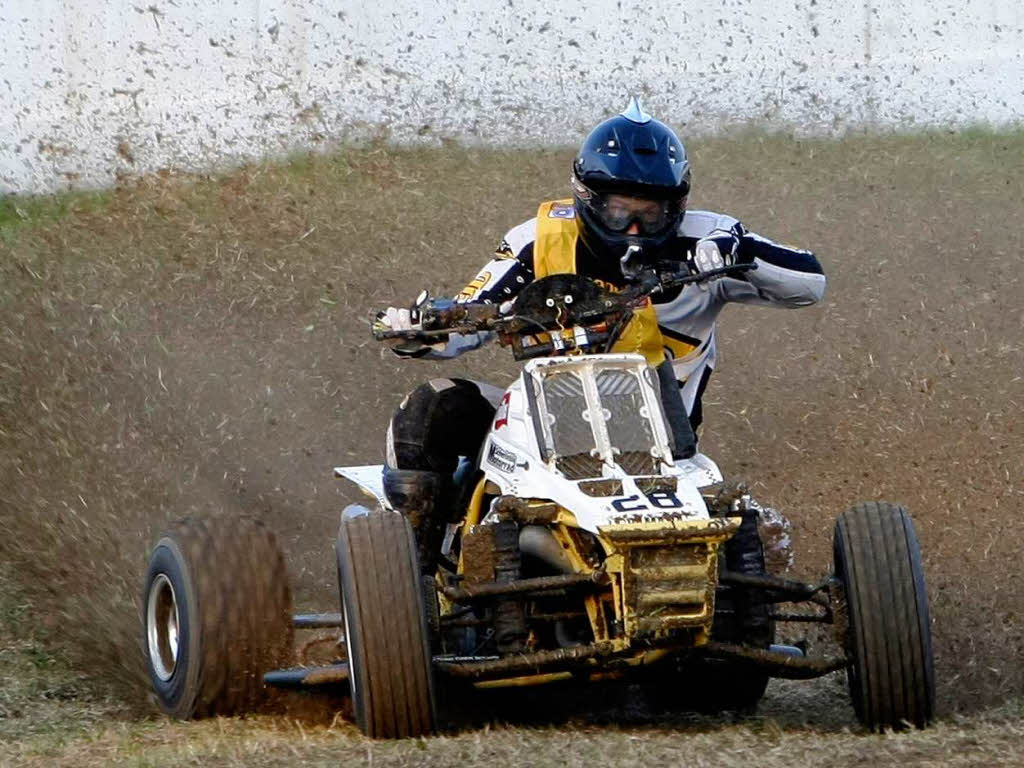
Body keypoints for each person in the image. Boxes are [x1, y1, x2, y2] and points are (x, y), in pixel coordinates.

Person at [376, 98, 826, 571]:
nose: (634, 227)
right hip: (546, 437)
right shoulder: (539, 240)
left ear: (675, 207)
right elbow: (469, 317)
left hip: (664, 449)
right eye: (618, 211)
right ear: (588, 199)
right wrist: (424, 325)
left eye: (650, 214)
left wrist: (744, 249)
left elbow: (810, 285)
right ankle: (416, 585)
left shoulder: (711, 241)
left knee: (753, 537)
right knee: (430, 410)